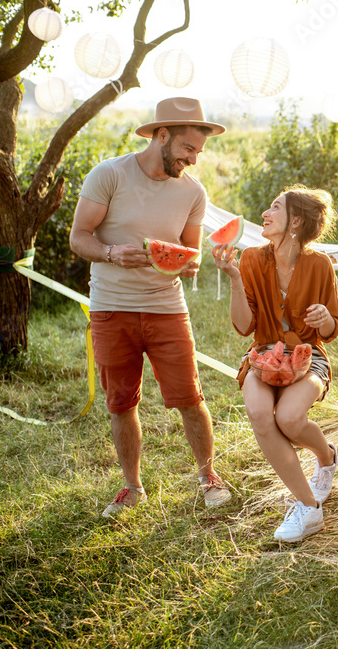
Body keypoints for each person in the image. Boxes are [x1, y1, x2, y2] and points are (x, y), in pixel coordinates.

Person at [69, 97, 233, 517]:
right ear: (162, 136)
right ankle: (132, 486)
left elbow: (190, 253)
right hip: (111, 307)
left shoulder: (193, 192)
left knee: (190, 398)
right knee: (121, 403)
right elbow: (79, 237)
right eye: (187, 149)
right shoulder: (109, 174)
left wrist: (189, 264)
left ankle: (208, 475)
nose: (194, 159)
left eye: (198, 151)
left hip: (167, 308)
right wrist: (109, 253)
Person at [212, 186, 338, 542]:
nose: (265, 214)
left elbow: (331, 330)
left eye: (275, 208)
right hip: (263, 353)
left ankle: (326, 456)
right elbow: (244, 327)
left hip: (309, 356)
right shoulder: (252, 259)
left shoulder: (319, 265)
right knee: (259, 414)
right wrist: (235, 279)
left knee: (288, 418)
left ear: (296, 221)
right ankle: (308, 508)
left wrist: (322, 319)